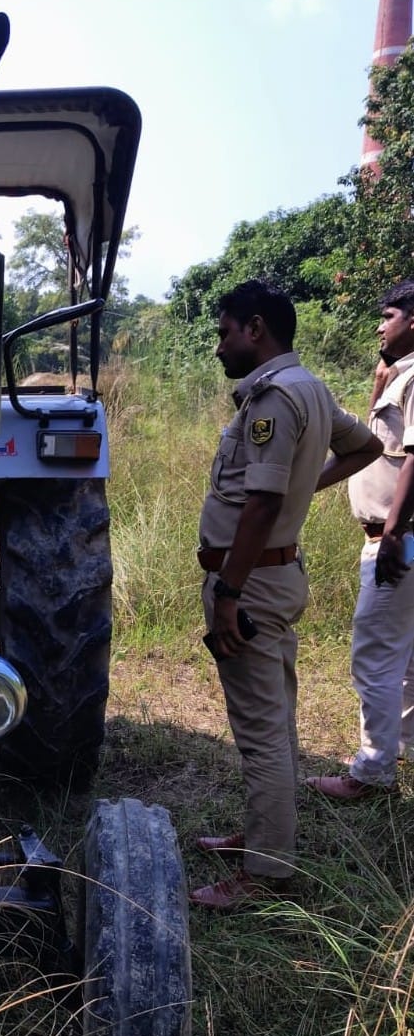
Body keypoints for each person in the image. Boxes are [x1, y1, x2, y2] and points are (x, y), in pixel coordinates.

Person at [191, 280, 381, 911]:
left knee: (261, 732)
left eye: (224, 333)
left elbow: (262, 504)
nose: (219, 347)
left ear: (255, 328)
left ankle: (265, 871)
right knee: (276, 716)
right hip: (275, 577)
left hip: (252, 585)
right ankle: (263, 838)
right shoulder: (312, 388)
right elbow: (367, 446)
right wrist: (306, 485)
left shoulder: (274, 396)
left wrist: (228, 592)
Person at [306, 279, 414, 802]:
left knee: (374, 657)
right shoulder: (399, 376)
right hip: (398, 535)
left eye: (388, 315)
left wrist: (392, 533)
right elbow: (375, 445)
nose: (379, 326)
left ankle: (371, 773)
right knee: (405, 656)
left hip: (399, 538)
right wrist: (379, 381)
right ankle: (403, 748)